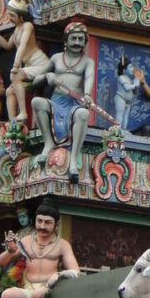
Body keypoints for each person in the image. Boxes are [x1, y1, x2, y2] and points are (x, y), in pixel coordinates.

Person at [0, 200, 80, 298]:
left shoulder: (62, 245)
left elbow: (76, 272)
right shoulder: (26, 241)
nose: (42, 226)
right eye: (39, 221)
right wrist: (10, 251)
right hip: (29, 289)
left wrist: (58, 275)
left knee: (38, 295)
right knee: (7, 295)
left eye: (47, 223)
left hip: (49, 289)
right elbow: (0, 262)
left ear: (56, 225)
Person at [31, 21, 95, 182]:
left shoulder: (88, 62)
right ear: (66, 41)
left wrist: (87, 94)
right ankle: (48, 143)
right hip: (57, 101)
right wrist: (48, 77)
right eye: (73, 38)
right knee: (37, 102)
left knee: (82, 114)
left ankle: (73, 160)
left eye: (81, 39)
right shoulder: (56, 58)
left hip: (74, 103)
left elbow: (89, 78)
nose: (77, 43)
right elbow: (35, 80)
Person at [0, 0, 51, 122]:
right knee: (9, 91)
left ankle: (23, 112)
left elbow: (22, 45)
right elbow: (7, 46)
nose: (10, 19)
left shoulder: (27, 26)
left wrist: (16, 66)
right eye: (9, 15)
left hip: (41, 65)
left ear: (21, 17)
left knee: (15, 76)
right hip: (29, 67)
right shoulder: (17, 29)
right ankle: (13, 123)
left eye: (12, 16)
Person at [113, 56, 148, 130]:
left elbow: (134, 92)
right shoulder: (121, 77)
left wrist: (137, 81)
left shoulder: (129, 79)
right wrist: (135, 85)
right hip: (120, 98)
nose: (133, 69)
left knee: (126, 116)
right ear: (124, 69)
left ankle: (124, 129)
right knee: (120, 115)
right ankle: (117, 129)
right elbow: (126, 87)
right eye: (131, 67)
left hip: (128, 101)